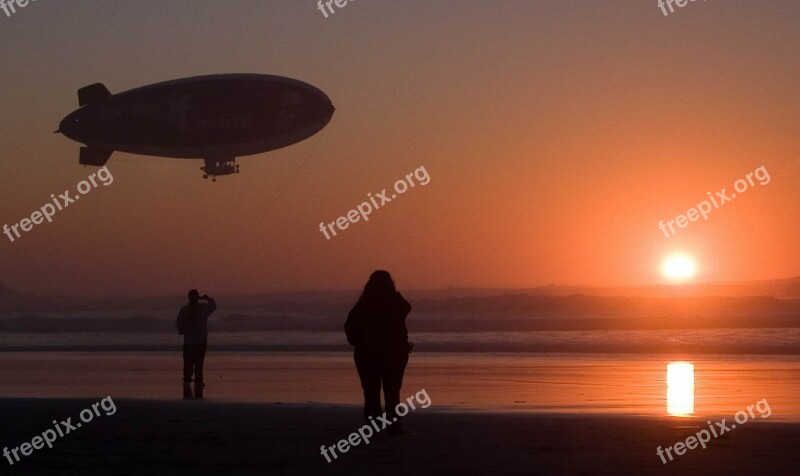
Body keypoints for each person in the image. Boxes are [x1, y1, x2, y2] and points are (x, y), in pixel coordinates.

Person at [345, 270, 413, 433]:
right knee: (392, 391)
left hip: (367, 355)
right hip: (393, 354)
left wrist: (359, 342)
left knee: (371, 392)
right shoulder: (396, 302)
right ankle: (393, 425)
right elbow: (407, 308)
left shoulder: (364, 304)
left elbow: (350, 327)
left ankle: (373, 426)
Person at [176, 290, 216, 399]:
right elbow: (213, 306)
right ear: (197, 298)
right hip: (200, 340)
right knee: (199, 362)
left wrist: (182, 331)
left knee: (188, 361)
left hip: (189, 340)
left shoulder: (185, 309)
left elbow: (178, 322)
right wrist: (206, 298)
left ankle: (187, 379)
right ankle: (198, 380)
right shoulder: (203, 308)